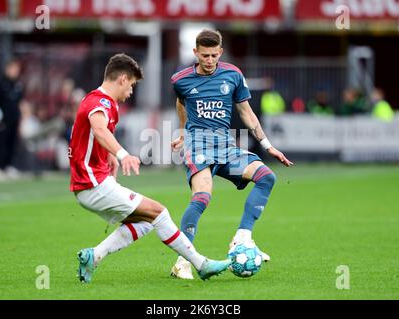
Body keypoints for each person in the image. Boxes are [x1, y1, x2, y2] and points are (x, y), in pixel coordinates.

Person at [69, 53, 231, 283]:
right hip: (93, 184)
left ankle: (93, 256)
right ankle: (201, 264)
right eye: (132, 85)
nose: (132, 91)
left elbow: (93, 135)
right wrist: (122, 154)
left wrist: (108, 156)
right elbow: (99, 129)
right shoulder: (101, 102)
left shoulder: (99, 101)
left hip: (91, 184)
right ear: (123, 79)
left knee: (145, 222)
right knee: (160, 212)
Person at [169, 29, 293, 279]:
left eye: (214, 55)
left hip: (226, 147)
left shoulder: (233, 74)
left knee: (266, 177)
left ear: (220, 52)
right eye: (205, 55)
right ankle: (182, 260)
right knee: (203, 195)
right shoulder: (180, 79)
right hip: (198, 146)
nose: (210, 60)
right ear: (195, 53)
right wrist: (183, 132)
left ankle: (242, 237)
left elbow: (246, 112)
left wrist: (268, 145)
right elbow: (181, 102)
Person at [0, 59, 24, 179]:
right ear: (7, 69)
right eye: (13, 69)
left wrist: (21, 118)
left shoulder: (18, 85)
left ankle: (9, 166)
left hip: (14, 119)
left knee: (12, 142)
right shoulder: (1, 83)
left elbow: (20, 102)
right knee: (1, 143)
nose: (16, 72)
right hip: (2, 119)